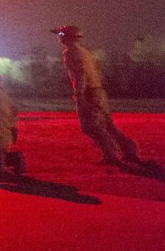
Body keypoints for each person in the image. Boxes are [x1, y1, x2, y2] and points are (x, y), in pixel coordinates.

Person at [52, 25, 141, 165]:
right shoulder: (84, 51)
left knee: (90, 126)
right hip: (98, 90)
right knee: (108, 125)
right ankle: (129, 149)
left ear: (68, 37)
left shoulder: (71, 53)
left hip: (89, 93)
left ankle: (111, 154)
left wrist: (80, 93)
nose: (59, 36)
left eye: (61, 33)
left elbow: (80, 74)